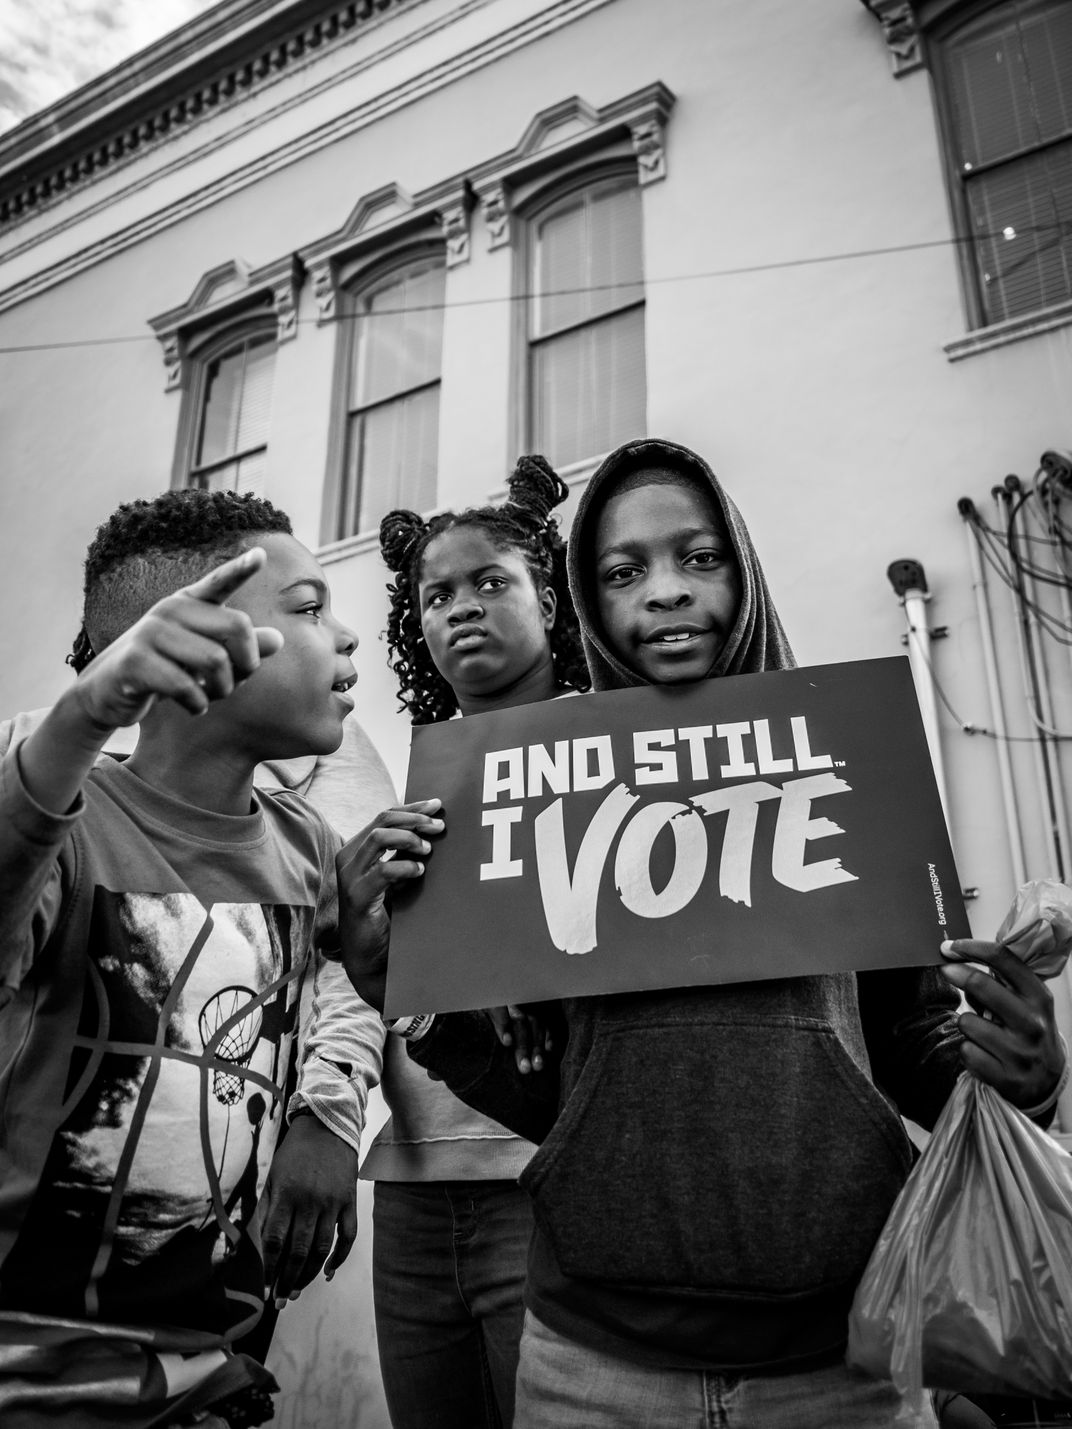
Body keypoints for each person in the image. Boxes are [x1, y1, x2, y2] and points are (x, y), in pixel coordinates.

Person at [336, 437, 1067, 1429]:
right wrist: (406, 996)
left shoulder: (850, 758)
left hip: (841, 1357)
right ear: (587, 601)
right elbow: (551, 1094)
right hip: (587, 1362)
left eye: (700, 557)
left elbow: (913, 1041)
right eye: (624, 570)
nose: (667, 591)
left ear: (746, 569)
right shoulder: (561, 793)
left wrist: (1019, 1075)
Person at [0, 489, 383, 1428]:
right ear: (191, 641)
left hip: (216, 1381)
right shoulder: (73, 829)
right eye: (307, 609)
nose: (347, 638)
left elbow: (356, 998)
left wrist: (382, 977)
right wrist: (84, 713)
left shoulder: (310, 850)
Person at [365, 454, 589, 1428]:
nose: (461, 606)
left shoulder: (620, 743)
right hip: (408, 1185)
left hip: (544, 1178)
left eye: (491, 581)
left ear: (552, 597)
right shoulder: (415, 785)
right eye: (436, 592)